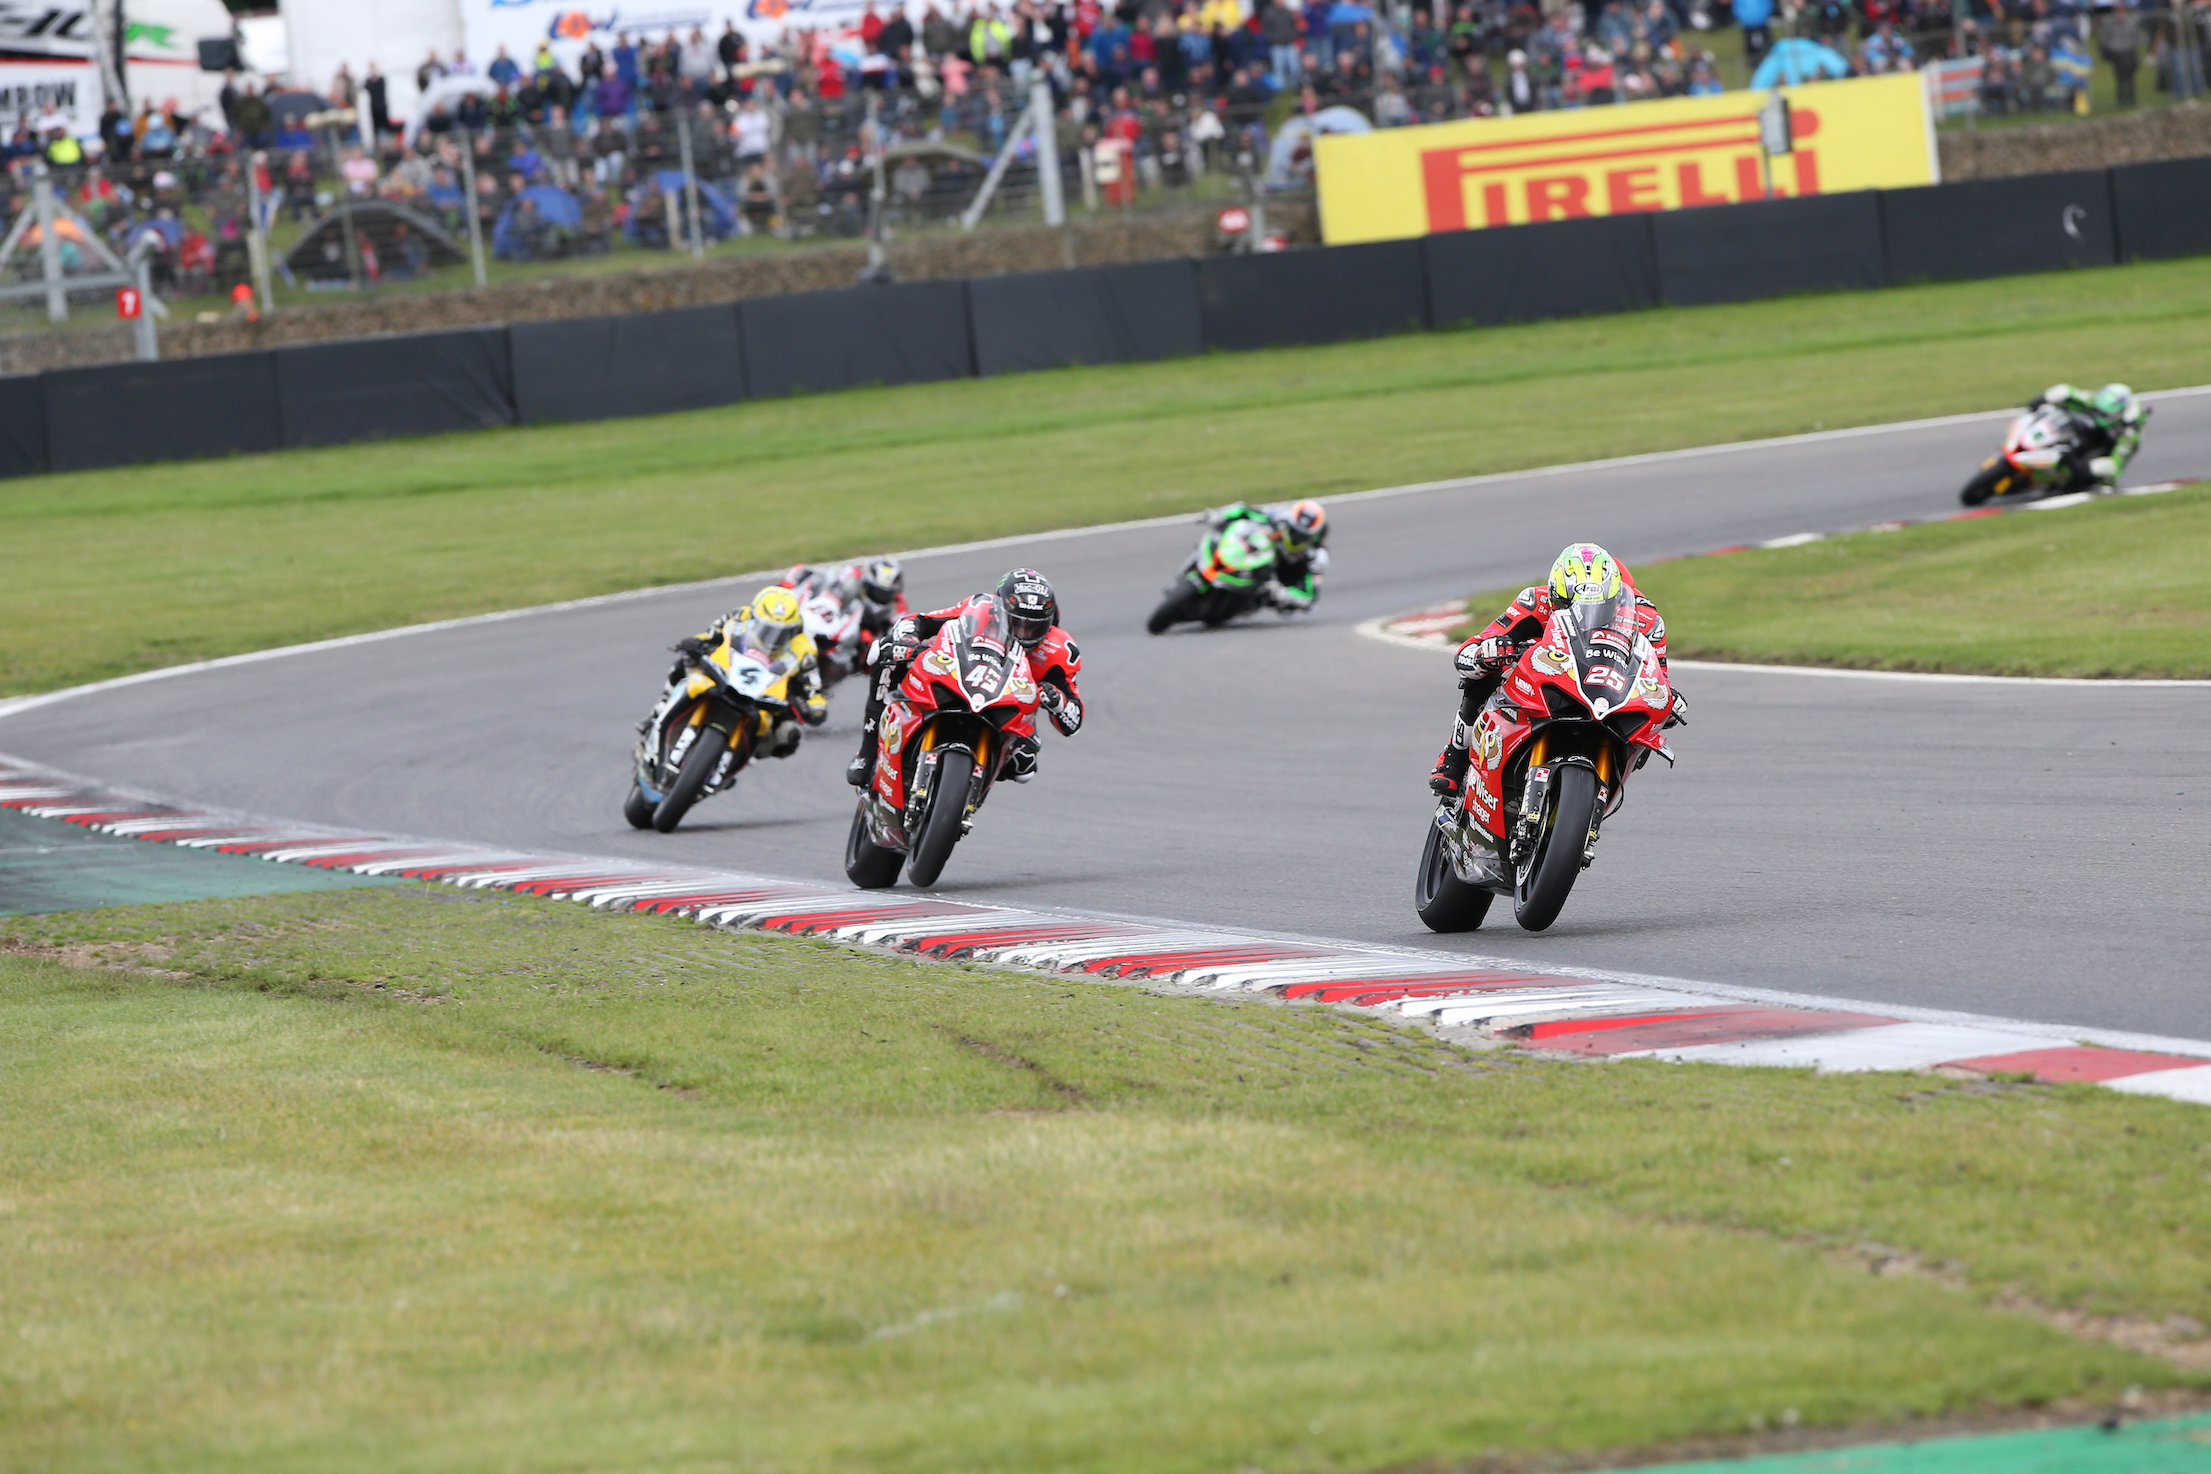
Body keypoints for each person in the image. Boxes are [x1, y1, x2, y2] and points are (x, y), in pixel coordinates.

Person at [1428, 543, 1686, 799]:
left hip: (1606, 687)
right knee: (1486, 671)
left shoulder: (1647, 620)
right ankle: (1455, 755)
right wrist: (1487, 652)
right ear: (1553, 593)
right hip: (1546, 675)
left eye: (1599, 605)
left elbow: (1658, 675)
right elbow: (1471, 648)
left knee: (1650, 722)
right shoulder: (1535, 601)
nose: (1582, 611)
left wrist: (1669, 698)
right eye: (1566, 604)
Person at [847, 569, 1084, 788]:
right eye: (1016, 623)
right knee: (886, 649)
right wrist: (908, 641)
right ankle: (867, 753)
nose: (1024, 634)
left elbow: (1073, 721)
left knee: (1024, 767)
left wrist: (1058, 702)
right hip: (961, 676)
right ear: (999, 608)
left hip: (1009, 708)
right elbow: (919, 621)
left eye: (1033, 627)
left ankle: (966, 794)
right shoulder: (979, 608)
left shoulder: (1060, 649)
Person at [662, 585, 829, 758]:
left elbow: (813, 687)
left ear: (794, 630)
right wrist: (696, 643)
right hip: (728, 671)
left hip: (767, 694)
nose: (772, 639)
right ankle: (659, 710)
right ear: (754, 617)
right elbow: (710, 634)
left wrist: (814, 706)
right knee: (685, 661)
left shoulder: (805, 648)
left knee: (789, 735)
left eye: (782, 633)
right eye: (767, 629)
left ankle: (740, 758)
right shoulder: (739, 617)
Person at [1204, 498, 1330, 610]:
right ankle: (1219, 557)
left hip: (1279, 580)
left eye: (1301, 536)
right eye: (1292, 530)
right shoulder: (1281, 516)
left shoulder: (1317, 557)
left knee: (1265, 597)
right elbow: (1245, 510)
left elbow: (1310, 598)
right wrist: (1221, 514)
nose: (1295, 537)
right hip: (1262, 553)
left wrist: (1286, 594)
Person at [2030, 382, 2147, 490]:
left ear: (2118, 414)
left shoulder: (2129, 435)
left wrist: (2086, 468)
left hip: (2096, 463)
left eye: (2103, 414)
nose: (2098, 415)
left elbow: (2113, 467)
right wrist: (2041, 400)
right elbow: (2067, 391)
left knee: (2080, 476)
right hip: (2085, 437)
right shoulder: (2094, 400)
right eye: (2097, 410)